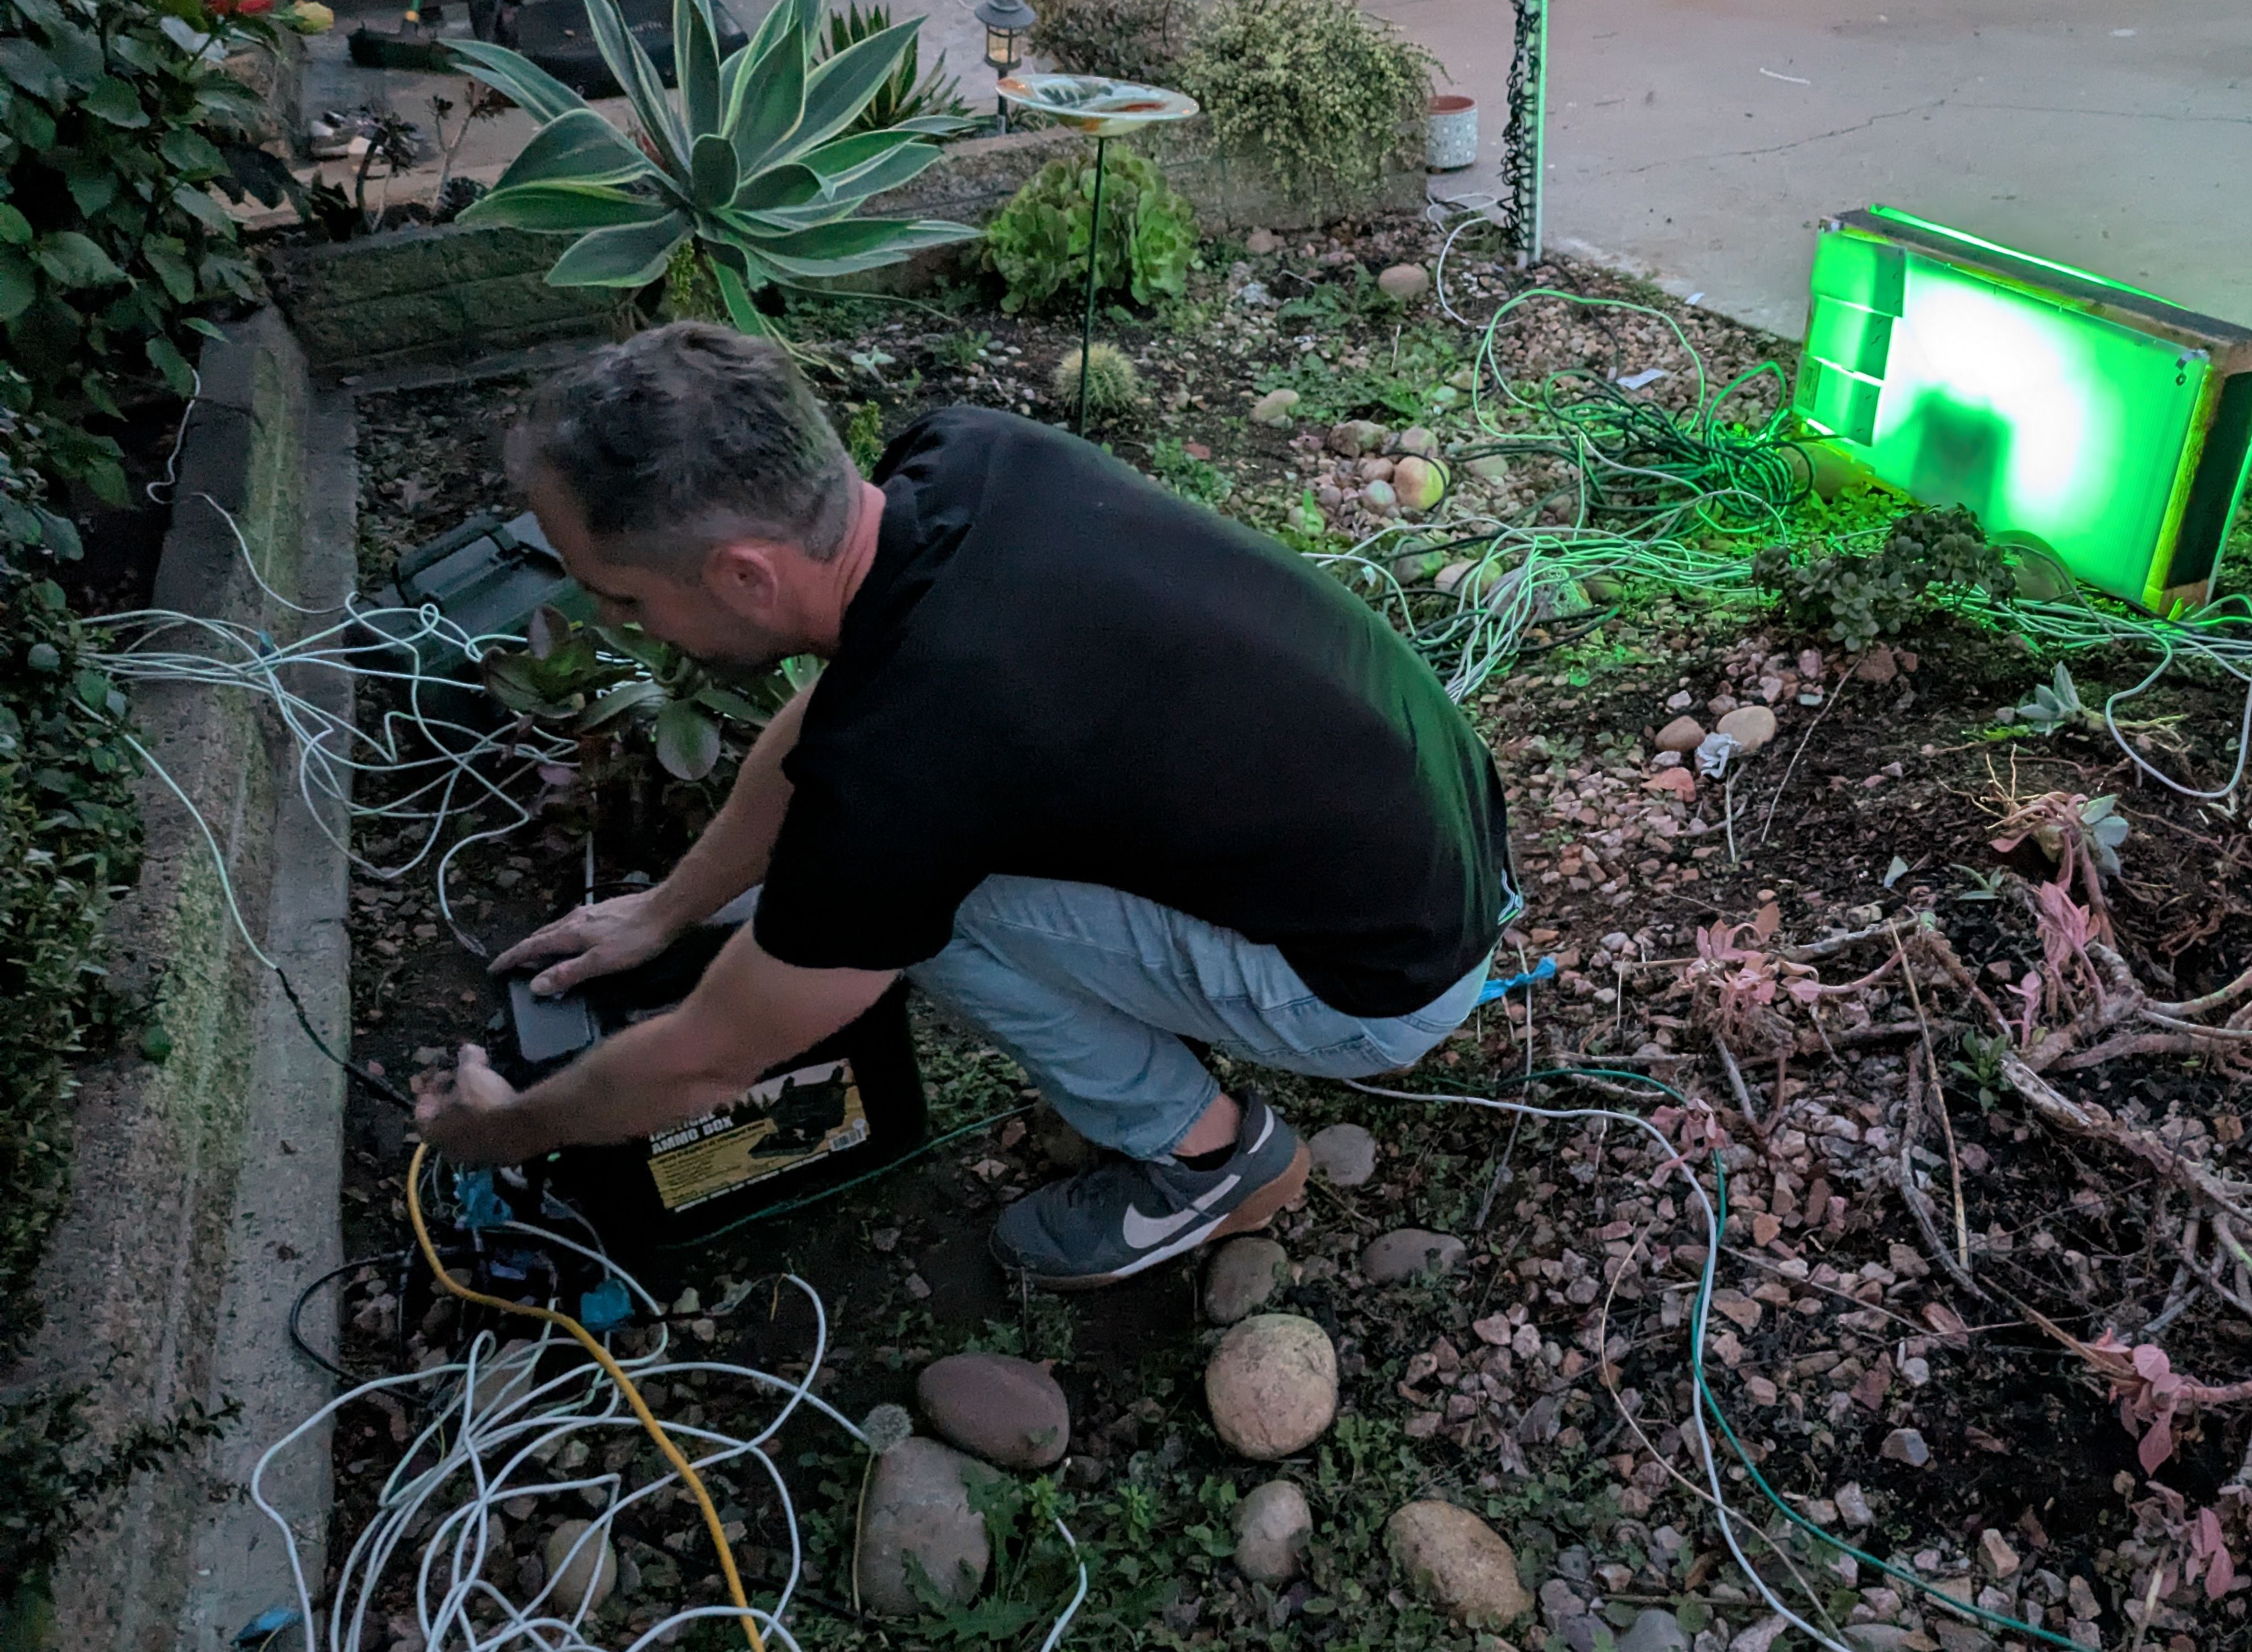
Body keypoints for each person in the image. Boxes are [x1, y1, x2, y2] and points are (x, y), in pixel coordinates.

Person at [414, 322, 1513, 1289]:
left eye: (625, 596)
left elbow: (707, 1055)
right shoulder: (960, 458)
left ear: (746, 575)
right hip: (1445, 833)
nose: (628, 623)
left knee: (935, 921)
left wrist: (505, 1128)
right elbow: (838, 713)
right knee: (910, 879)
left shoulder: (909, 768)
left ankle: (1206, 1159)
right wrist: (663, 911)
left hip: (1379, 983)